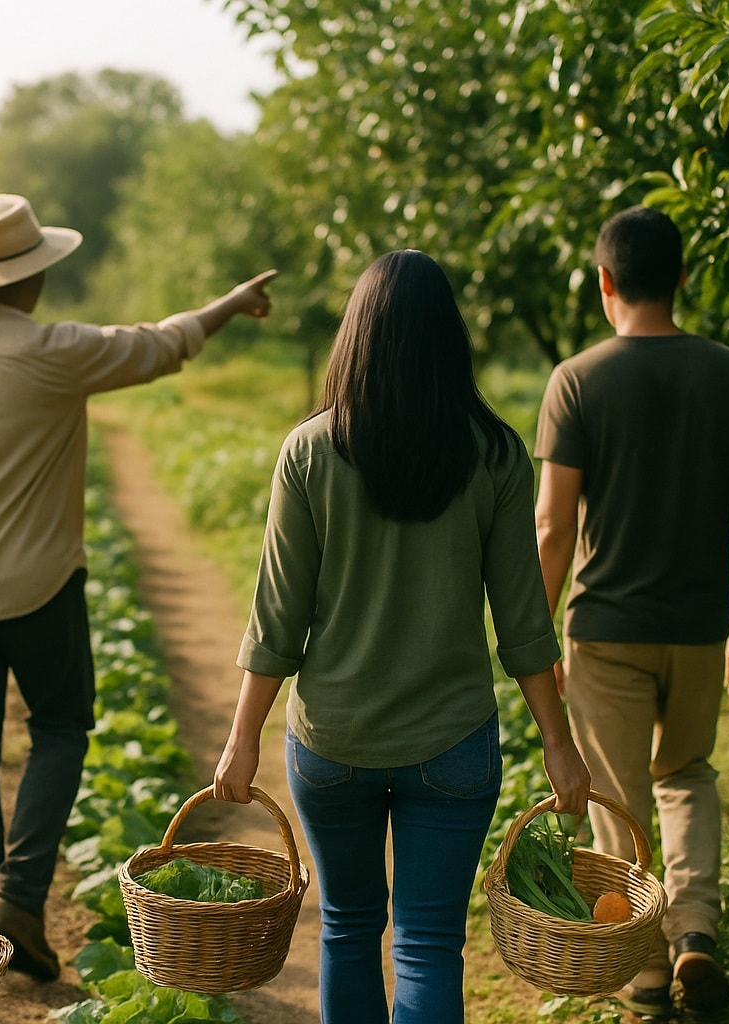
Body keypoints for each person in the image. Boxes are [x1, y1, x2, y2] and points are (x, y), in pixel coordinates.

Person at [0, 192, 276, 981]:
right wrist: (229, 304)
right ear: (32, 278)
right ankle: (19, 900)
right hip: (43, 587)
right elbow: (161, 345)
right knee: (58, 728)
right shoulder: (57, 350)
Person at [213, 249, 591, 1024]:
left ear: (357, 336)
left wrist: (242, 738)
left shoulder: (310, 451)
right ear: (450, 339)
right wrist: (559, 743)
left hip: (332, 743)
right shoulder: (495, 454)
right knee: (428, 944)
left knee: (349, 931)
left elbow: (277, 617)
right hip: (453, 744)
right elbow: (524, 624)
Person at [533, 205, 729, 1019]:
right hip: (700, 625)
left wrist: (537, 632)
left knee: (619, 794)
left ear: (605, 281)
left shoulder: (577, 380)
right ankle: (696, 930)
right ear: (681, 277)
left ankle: (643, 968)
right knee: (688, 773)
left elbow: (552, 527)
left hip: (606, 629)